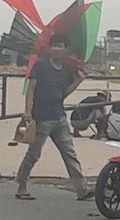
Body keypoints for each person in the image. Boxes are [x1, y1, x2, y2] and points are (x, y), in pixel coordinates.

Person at [14, 34, 94, 201]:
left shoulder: (66, 71)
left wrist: (79, 81)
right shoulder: (40, 65)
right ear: (49, 49)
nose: (57, 49)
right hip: (41, 117)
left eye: (60, 46)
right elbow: (31, 89)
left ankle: (82, 190)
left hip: (59, 117)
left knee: (69, 153)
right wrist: (27, 111)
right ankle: (21, 186)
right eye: (54, 46)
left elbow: (63, 93)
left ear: (66, 50)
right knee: (33, 154)